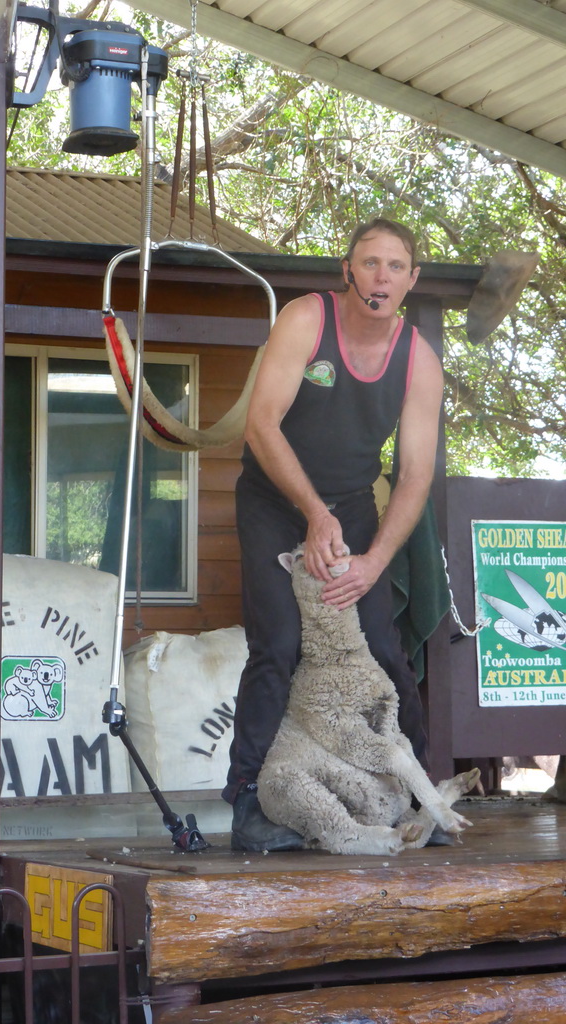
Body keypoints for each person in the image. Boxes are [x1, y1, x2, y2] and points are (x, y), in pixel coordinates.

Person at [224, 217, 445, 852]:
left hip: (351, 506)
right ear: (347, 271)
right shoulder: (306, 319)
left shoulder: (418, 360)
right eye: (369, 263)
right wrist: (315, 515)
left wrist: (374, 561)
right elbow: (261, 426)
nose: (381, 277)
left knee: (381, 643)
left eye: (394, 266)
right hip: (273, 499)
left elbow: (415, 476)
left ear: (411, 280)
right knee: (280, 645)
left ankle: (418, 797)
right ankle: (248, 802)